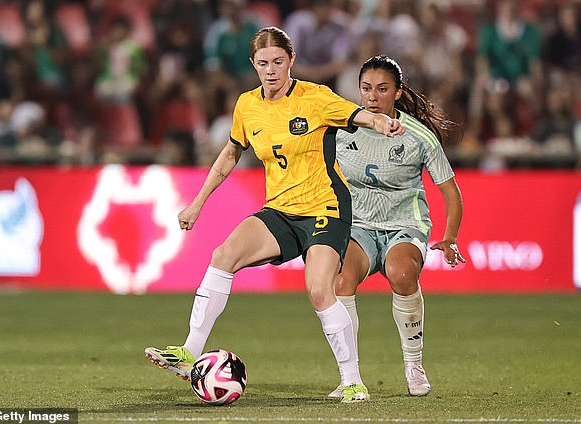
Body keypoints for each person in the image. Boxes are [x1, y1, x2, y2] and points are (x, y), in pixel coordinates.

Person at [145, 26, 405, 403]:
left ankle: (353, 381)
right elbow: (232, 153)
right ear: (253, 64)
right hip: (280, 211)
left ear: (291, 61)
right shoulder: (247, 105)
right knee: (222, 256)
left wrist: (382, 122)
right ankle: (189, 353)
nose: (271, 70)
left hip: (324, 209)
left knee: (319, 289)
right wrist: (198, 202)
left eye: (279, 62)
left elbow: (360, 116)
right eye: (263, 63)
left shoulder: (315, 98)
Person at [329, 55, 465, 398]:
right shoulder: (342, 129)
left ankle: (414, 365)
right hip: (358, 224)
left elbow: (452, 193)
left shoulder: (419, 137)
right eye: (366, 88)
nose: (372, 96)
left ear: (398, 93)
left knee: (401, 274)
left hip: (405, 222)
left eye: (382, 89)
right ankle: (350, 377)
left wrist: (449, 237)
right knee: (341, 281)